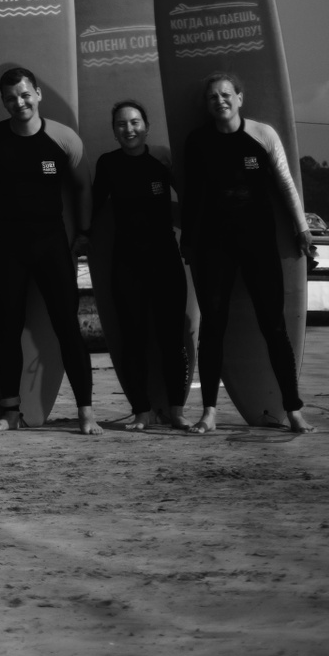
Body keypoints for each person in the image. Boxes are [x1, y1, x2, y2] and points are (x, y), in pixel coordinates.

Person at [0, 67, 99, 435]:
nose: (19, 103)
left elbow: (83, 187)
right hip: (5, 247)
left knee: (67, 326)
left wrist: (85, 232)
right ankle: (9, 413)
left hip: (51, 245)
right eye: (11, 98)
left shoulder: (63, 138)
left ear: (38, 94)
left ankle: (86, 412)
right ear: (3, 102)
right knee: (7, 328)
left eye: (25, 95)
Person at [182, 73, 316, 434]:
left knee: (274, 326)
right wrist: (188, 244)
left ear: (240, 97)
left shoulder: (262, 134)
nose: (220, 101)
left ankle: (294, 410)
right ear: (207, 104)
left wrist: (301, 228)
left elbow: (286, 183)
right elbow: (192, 198)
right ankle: (209, 412)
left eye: (226, 94)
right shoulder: (198, 141)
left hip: (258, 244)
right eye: (213, 97)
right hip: (213, 246)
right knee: (213, 327)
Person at [78, 99, 189, 431]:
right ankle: (141, 411)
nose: (129, 129)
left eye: (135, 122)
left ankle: (177, 410)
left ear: (147, 127)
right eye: (122, 124)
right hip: (127, 262)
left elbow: (190, 198)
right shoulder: (109, 163)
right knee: (133, 338)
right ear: (114, 131)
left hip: (166, 260)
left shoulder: (162, 159)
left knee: (172, 338)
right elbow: (95, 203)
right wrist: (82, 235)